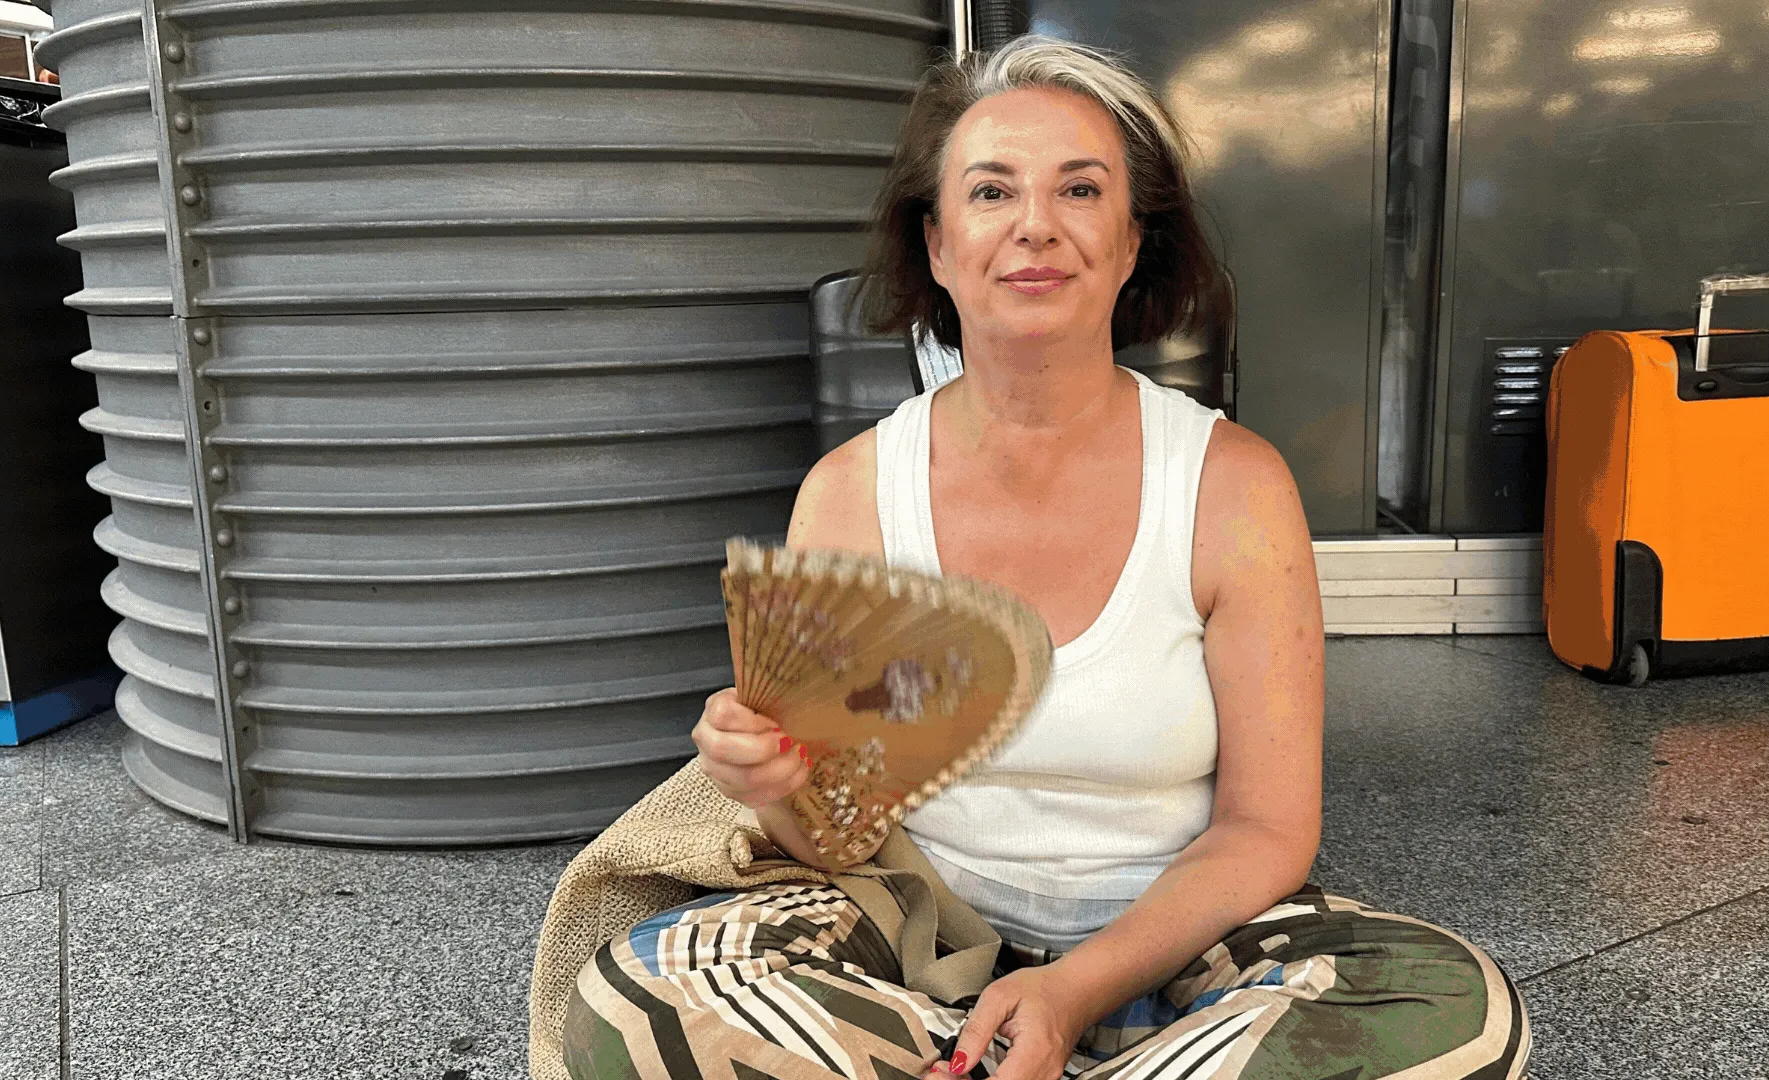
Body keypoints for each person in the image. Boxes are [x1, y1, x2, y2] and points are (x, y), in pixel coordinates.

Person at [563, 35, 1529, 1080]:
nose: (1035, 225)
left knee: (1462, 1015)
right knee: (634, 1002)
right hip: (910, 941)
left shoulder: (1235, 488)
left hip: (1176, 949)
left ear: (1128, 244)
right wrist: (769, 784)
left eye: (1080, 189)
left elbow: (1265, 829)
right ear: (937, 245)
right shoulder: (849, 495)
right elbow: (835, 839)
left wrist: (1071, 992)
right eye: (990, 191)